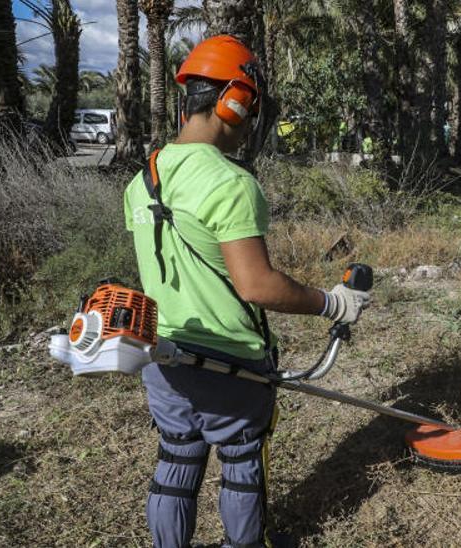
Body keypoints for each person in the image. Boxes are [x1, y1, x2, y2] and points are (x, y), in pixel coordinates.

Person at [122, 35, 372, 548]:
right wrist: (333, 302)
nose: (250, 123)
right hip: (230, 364)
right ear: (233, 102)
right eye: (250, 109)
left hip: (164, 356)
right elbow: (256, 285)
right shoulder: (230, 183)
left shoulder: (142, 180)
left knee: (176, 461)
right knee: (240, 466)